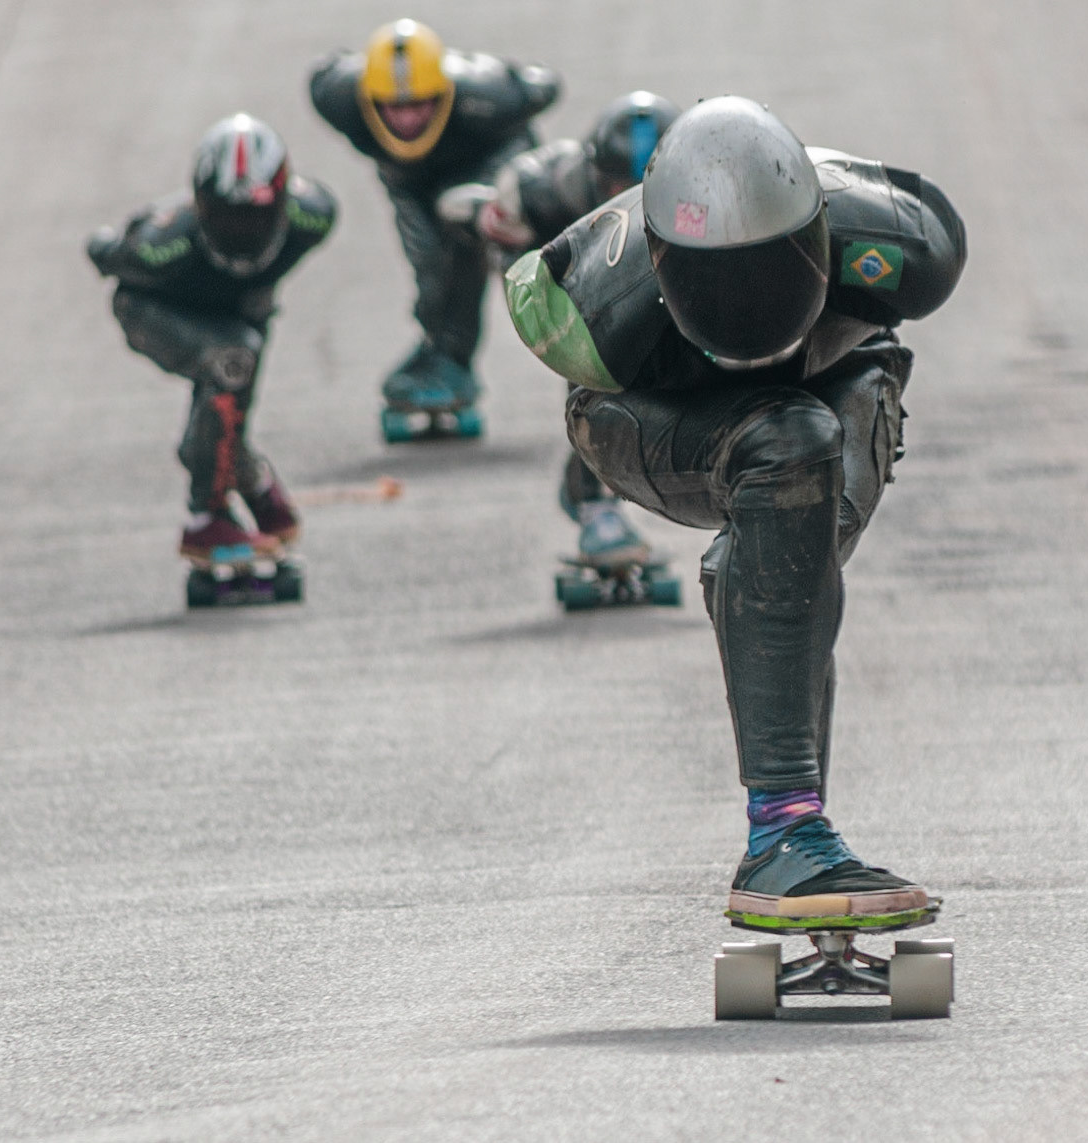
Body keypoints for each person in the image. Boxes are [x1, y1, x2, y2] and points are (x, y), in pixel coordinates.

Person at [504, 97, 967, 927]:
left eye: (769, 282)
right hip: (648, 407)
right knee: (787, 445)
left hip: (835, 368)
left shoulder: (911, 249)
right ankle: (783, 834)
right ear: (662, 270)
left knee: (795, 533)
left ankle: (796, 834)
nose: (748, 309)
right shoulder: (586, 313)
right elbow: (526, 285)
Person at [86, 114, 336, 562]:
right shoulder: (159, 246)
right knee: (232, 361)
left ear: (282, 204)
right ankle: (207, 518)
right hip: (156, 311)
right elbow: (104, 250)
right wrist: (116, 240)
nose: (242, 233)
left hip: (242, 315)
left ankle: (256, 485)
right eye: (227, 217)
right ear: (200, 207)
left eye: (255, 217)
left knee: (227, 404)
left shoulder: (313, 216)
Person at [310, 19, 558, 429]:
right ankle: (443, 355)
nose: (407, 120)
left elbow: (544, 83)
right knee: (429, 262)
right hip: (410, 182)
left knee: (505, 257)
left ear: (443, 94)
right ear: (369, 101)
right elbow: (324, 68)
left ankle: (579, 344)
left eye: (419, 105)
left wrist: (482, 68)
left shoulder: (489, 99)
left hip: (488, 158)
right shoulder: (339, 98)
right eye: (393, 107)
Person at [474, 91, 681, 568]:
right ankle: (594, 502)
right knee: (605, 357)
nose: (634, 206)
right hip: (564, 285)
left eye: (650, 191)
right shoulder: (540, 191)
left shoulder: (707, 192)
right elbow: (504, 245)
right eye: (619, 189)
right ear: (594, 176)